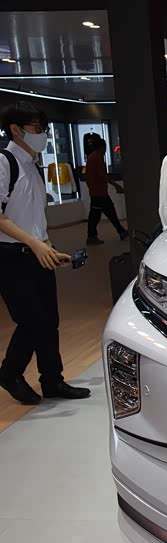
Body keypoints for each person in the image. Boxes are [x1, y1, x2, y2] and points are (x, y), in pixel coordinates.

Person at [0, 101, 90, 404]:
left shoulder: (33, 165)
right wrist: (34, 244)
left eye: (44, 128)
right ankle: (9, 373)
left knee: (49, 320)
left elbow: (33, 216)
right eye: (37, 128)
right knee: (32, 320)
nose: (43, 134)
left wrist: (47, 245)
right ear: (16, 130)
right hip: (11, 256)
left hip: (37, 251)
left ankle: (52, 380)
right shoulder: (4, 162)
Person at [86, 135, 128, 245]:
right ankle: (120, 231)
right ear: (102, 147)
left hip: (96, 191)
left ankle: (120, 231)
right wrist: (116, 185)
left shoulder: (92, 157)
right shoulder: (97, 157)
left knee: (99, 213)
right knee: (106, 212)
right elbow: (102, 174)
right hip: (99, 192)